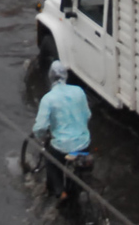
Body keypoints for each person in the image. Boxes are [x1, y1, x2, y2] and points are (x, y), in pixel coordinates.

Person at [32, 60, 92, 201]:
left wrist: (40, 136)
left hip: (62, 147)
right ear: (66, 76)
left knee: (51, 159)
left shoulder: (48, 99)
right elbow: (88, 115)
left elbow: (40, 127)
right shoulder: (79, 91)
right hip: (84, 143)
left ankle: (60, 192)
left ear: (50, 77)